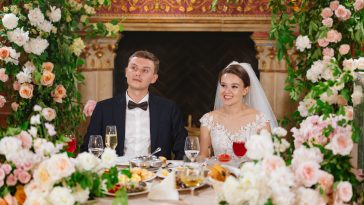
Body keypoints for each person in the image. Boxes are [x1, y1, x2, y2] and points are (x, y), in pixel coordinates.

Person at [80, 50, 187, 160]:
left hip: (156, 173)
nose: (138, 73)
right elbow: (88, 149)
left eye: (145, 70)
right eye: (134, 68)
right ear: (126, 72)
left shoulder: (169, 109)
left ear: (154, 78)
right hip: (115, 173)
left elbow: (183, 149)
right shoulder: (103, 108)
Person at [199, 62, 278, 158]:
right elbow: (203, 157)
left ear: (245, 90)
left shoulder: (260, 120)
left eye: (234, 86)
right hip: (219, 172)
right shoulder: (208, 120)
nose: (227, 91)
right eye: (223, 85)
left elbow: (267, 158)